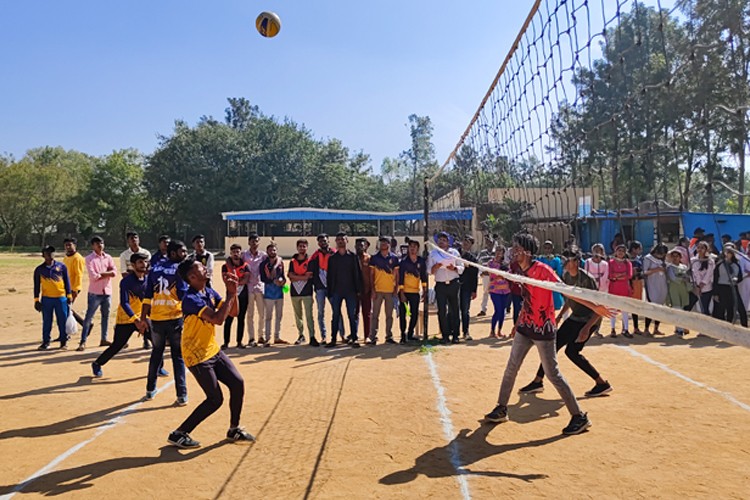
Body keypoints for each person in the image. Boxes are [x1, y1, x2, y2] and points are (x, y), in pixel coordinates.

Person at [484, 233, 608, 435]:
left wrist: (595, 307)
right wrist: (518, 322)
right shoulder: (520, 269)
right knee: (511, 368)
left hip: (543, 329)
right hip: (526, 326)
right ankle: (501, 408)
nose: (513, 251)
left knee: (552, 374)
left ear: (527, 252)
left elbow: (566, 291)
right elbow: (528, 298)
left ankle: (579, 416)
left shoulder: (543, 270)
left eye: (517, 248)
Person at [167, 258, 255, 449]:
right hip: (196, 355)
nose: (205, 268)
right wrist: (231, 293)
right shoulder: (190, 299)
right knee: (215, 399)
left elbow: (233, 312)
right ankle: (179, 433)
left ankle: (234, 429)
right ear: (192, 277)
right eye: (200, 267)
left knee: (237, 383)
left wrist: (234, 291)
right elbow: (217, 319)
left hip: (211, 349)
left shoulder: (207, 291)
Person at [517, 250, 612, 397]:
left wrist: (587, 328)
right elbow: (570, 298)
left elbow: (598, 307)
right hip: (575, 318)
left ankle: (601, 383)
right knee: (552, 347)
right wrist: (560, 315)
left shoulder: (587, 279)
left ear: (575, 261)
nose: (564, 263)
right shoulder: (566, 276)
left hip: (589, 320)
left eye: (567, 260)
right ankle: (538, 381)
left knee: (572, 352)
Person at [141, 240, 189, 404]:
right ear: (174, 253)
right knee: (178, 356)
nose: (185, 254)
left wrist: (142, 319)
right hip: (174, 317)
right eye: (182, 251)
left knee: (156, 353)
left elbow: (147, 296)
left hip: (156, 318)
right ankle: (181, 394)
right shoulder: (179, 270)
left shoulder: (154, 268)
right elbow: (183, 294)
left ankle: (149, 389)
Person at [91, 253, 150, 376]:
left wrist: (145, 317)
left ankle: (158, 367)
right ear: (133, 265)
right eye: (140, 262)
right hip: (126, 319)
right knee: (117, 345)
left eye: (145, 262)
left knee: (157, 341)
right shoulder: (126, 282)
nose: (144, 264)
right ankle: (97, 364)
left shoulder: (148, 279)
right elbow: (124, 303)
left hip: (141, 317)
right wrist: (135, 320)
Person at [78, 236, 116, 351]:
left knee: (106, 316)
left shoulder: (108, 257)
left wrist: (102, 274)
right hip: (95, 292)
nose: (100, 245)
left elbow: (114, 272)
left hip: (107, 291)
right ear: (93, 246)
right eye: (97, 243)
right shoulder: (89, 259)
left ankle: (104, 338)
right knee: (89, 317)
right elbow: (94, 276)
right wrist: (107, 273)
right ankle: (83, 341)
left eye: (102, 243)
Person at [327, 232, 363, 348]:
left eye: (342, 239)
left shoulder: (353, 257)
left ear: (347, 241)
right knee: (335, 315)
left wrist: (358, 290)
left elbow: (358, 274)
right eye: (338, 239)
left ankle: (354, 338)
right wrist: (330, 292)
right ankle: (333, 339)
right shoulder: (332, 259)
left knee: (352, 315)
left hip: (350, 291)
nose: (340, 241)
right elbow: (330, 276)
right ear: (336, 242)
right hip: (336, 291)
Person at [428, 231, 464, 344]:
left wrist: (454, 268)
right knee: (442, 311)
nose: (441, 242)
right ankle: (445, 335)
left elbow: (461, 267)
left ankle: (455, 335)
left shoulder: (454, 252)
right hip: (440, 285)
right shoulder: (433, 254)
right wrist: (435, 267)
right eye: (440, 240)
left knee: (454, 310)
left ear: (448, 242)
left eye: (444, 240)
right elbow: (429, 271)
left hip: (453, 284)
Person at [33, 246, 71, 350]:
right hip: (47, 299)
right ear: (43, 255)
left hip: (61, 298)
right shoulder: (39, 269)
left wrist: (69, 295)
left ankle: (63, 341)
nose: (50, 255)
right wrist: (36, 300)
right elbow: (36, 285)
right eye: (47, 253)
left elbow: (67, 282)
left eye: (52, 252)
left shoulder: (61, 266)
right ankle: (46, 342)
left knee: (62, 320)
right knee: (47, 321)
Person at [309, 233, 344, 343]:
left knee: (337, 311)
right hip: (320, 288)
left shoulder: (334, 253)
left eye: (325, 240)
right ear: (318, 243)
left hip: (333, 288)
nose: (323, 243)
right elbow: (310, 270)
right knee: (320, 312)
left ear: (329, 241)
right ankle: (323, 336)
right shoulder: (315, 255)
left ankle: (342, 334)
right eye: (320, 241)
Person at [368, 236, 400, 345]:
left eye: (385, 242)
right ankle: (373, 336)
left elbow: (397, 275)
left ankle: (389, 336)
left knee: (389, 315)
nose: (383, 244)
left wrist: (396, 289)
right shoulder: (374, 258)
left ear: (389, 244)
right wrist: (373, 289)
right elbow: (371, 275)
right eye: (381, 242)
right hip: (378, 290)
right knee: (375, 315)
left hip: (390, 291)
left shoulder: (394, 258)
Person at [221, 244, 251, 349]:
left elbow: (246, 280)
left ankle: (239, 341)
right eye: (233, 252)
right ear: (230, 253)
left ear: (240, 253)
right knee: (228, 319)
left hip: (243, 295)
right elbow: (225, 280)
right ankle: (226, 342)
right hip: (230, 296)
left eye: (237, 252)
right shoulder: (225, 266)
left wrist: (234, 280)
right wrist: (238, 280)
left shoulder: (246, 265)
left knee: (241, 318)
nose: (235, 254)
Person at [288, 239, 317, 346]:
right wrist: (301, 277)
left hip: (307, 291)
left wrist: (297, 277)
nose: (302, 248)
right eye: (300, 246)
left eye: (304, 246)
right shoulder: (292, 261)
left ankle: (312, 336)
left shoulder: (310, 261)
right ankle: (301, 335)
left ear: (307, 247)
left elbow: (308, 276)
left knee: (309, 315)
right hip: (294, 292)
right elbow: (290, 276)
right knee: (298, 315)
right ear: (297, 247)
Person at [398, 239, 427, 343]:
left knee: (414, 314)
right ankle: (402, 335)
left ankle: (410, 334)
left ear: (418, 249)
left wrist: (425, 290)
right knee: (403, 314)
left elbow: (424, 277)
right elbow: (400, 278)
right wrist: (401, 293)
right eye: (410, 247)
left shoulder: (421, 261)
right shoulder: (403, 262)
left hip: (415, 293)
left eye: (414, 247)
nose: (412, 249)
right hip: (404, 292)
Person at [712, 244, 748, 326]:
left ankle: (744, 327)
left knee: (739, 309)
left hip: (733, 288)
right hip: (722, 288)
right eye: (727, 252)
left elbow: (740, 277)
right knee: (721, 309)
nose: (728, 254)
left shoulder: (736, 265)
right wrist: (715, 293)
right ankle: (723, 327)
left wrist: (736, 280)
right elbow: (715, 280)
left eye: (730, 252)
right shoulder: (719, 265)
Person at [241, 233, 267, 347]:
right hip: (248, 287)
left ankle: (261, 336)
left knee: (262, 314)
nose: (254, 243)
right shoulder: (244, 255)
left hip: (260, 287)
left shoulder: (263, 255)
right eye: (252, 241)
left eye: (256, 241)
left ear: (259, 242)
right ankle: (251, 338)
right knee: (250, 314)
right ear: (248, 242)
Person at [259, 243, 287, 346]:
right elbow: (262, 278)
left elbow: (283, 276)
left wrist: (283, 281)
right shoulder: (263, 264)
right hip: (269, 293)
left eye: (274, 250)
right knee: (268, 317)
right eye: (270, 250)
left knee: (279, 316)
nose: (272, 252)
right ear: (267, 252)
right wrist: (272, 281)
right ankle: (267, 338)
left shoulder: (280, 263)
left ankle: (277, 336)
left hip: (279, 293)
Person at [642, 244, 669, 336]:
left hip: (662, 284)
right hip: (652, 284)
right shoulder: (648, 258)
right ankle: (646, 329)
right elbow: (644, 272)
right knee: (651, 307)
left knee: (660, 308)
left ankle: (656, 328)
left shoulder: (663, 260)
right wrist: (656, 269)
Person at [607, 244, 633, 338]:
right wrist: (621, 275)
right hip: (614, 287)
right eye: (619, 250)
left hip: (624, 288)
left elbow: (629, 275)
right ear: (616, 251)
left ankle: (626, 329)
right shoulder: (611, 262)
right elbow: (610, 275)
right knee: (613, 309)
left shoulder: (627, 263)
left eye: (622, 251)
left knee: (625, 309)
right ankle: (613, 329)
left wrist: (616, 276)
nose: (620, 252)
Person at [666, 248, 692, 336]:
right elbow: (673, 278)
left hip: (683, 289)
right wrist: (682, 279)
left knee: (683, 308)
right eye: (673, 256)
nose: (675, 258)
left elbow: (688, 277)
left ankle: (681, 326)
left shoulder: (684, 267)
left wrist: (687, 280)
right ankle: (679, 328)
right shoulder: (670, 267)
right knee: (677, 308)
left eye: (677, 256)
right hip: (674, 288)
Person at [487, 245, 511, 339]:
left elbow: (509, 274)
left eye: (500, 251)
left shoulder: (506, 263)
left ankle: (499, 330)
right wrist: (499, 275)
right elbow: (492, 275)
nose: (498, 253)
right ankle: (492, 331)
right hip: (494, 290)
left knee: (503, 311)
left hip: (505, 290)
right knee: (498, 310)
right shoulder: (491, 263)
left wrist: (503, 275)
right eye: (497, 251)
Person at [459, 235, 479, 341]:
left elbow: (474, 276)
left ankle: (465, 332)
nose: (465, 243)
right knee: (453, 310)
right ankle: (453, 331)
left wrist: (474, 290)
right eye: (464, 241)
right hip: (455, 286)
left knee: (465, 310)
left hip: (466, 287)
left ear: (471, 245)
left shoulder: (473, 259)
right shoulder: (455, 253)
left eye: (468, 242)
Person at [689, 241, 716, 315]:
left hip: (706, 289)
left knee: (705, 309)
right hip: (694, 288)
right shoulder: (693, 260)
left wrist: (700, 286)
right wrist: (696, 287)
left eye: (702, 248)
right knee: (688, 307)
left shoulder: (710, 261)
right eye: (698, 248)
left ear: (706, 250)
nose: (700, 249)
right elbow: (693, 274)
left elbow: (708, 275)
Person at [355, 238, 373, 344]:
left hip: (367, 290)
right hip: (355, 291)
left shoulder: (369, 259)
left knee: (366, 314)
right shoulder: (352, 258)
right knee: (354, 313)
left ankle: (367, 335)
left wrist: (371, 289)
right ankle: (355, 335)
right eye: (357, 245)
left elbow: (372, 275)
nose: (359, 247)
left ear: (366, 246)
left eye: (362, 245)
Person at [537, 240, 564, 310]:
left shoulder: (556, 260)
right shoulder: (540, 259)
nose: (547, 250)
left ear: (552, 249)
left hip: (553, 284)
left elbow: (559, 272)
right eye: (545, 248)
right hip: (543, 283)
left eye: (549, 248)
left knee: (554, 305)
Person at [628, 241, 645, 335]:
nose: (640, 250)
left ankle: (636, 327)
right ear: (634, 249)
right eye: (639, 248)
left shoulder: (639, 259)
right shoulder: (627, 258)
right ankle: (625, 327)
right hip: (629, 282)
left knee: (636, 305)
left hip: (638, 282)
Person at [476, 237, 494, 317]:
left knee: (495, 292)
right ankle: (483, 309)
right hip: (486, 276)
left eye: (491, 242)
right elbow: (478, 263)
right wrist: (481, 273)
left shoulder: (496, 253)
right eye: (488, 242)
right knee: (486, 292)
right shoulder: (482, 253)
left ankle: (497, 309)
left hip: (494, 276)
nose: (489, 244)